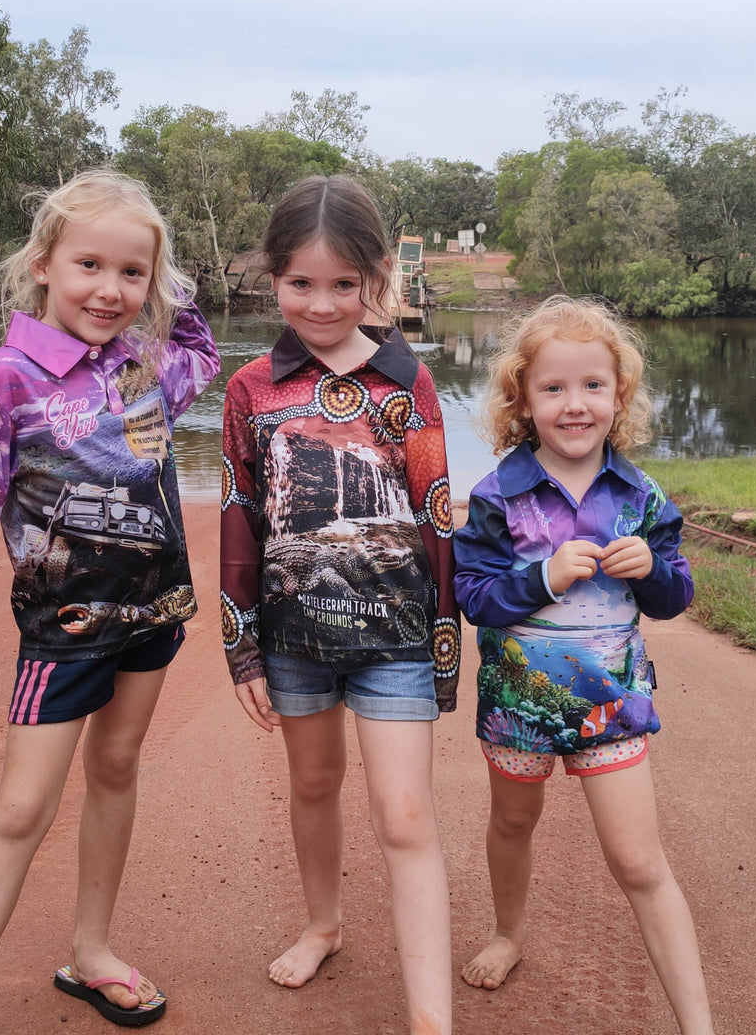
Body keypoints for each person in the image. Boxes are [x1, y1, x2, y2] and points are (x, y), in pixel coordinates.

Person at [0, 169, 219, 1033]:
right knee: (18, 813)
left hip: (151, 616)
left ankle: (92, 951)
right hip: (64, 632)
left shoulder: (148, 364)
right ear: (43, 264)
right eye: (89, 265)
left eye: (132, 273)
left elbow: (202, 352)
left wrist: (173, 280)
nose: (110, 290)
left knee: (117, 767)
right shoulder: (8, 378)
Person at [220, 174, 461, 1035]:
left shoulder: (408, 384)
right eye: (301, 283)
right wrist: (241, 644)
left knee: (405, 814)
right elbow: (240, 515)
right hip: (293, 639)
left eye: (343, 284)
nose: (321, 305)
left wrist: (444, 645)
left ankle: (431, 1018)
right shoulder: (251, 389)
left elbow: (436, 515)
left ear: (377, 278)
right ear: (272, 276)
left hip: (398, 639)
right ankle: (322, 924)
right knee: (313, 783)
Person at [453, 295, 714, 1033]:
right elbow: (473, 596)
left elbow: (675, 594)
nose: (575, 404)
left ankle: (699, 1024)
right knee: (513, 821)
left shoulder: (641, 496)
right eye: (554, 388)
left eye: (593, 385)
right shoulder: (498, 496)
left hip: (611, 706)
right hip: (518, 704)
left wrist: (652, 571)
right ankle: (508, 932)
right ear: (523, 401)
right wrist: (542, 577)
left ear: (619, 396)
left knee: (639, 862)